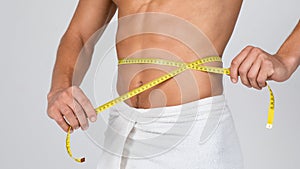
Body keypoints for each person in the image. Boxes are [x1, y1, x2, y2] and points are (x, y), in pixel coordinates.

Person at [47, 0, 300, 168]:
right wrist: (60, 87)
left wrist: (285, 59)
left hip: (194, 136)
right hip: (120, 132)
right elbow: (79, 34)